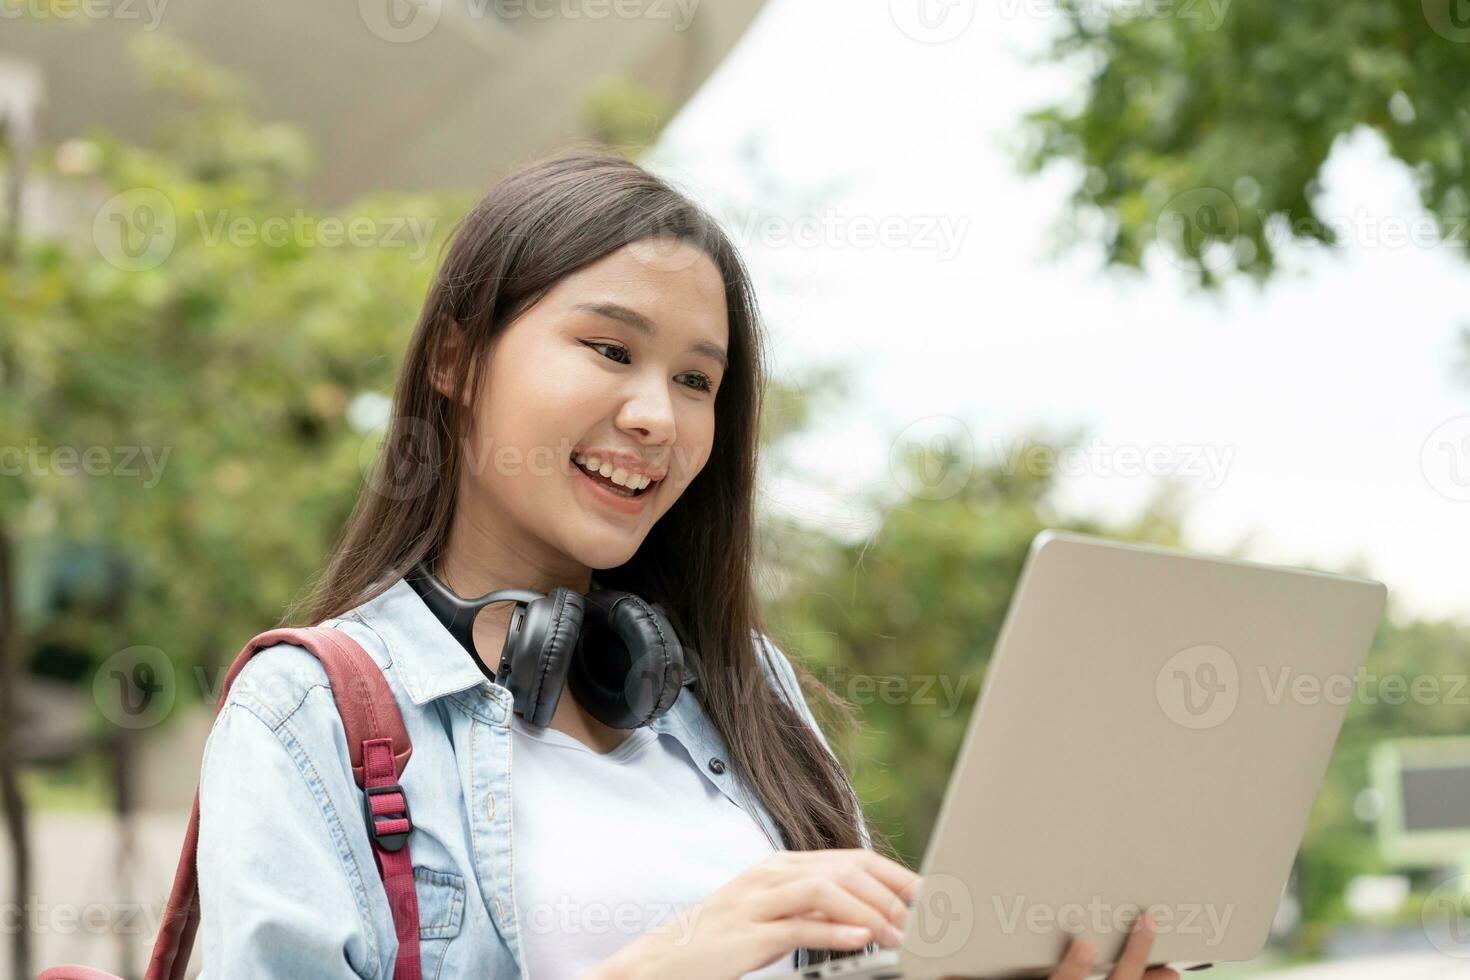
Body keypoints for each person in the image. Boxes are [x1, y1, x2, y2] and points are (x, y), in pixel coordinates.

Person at [195, 148, 1179, 980]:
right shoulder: (308, 712)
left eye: (697, 379)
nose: (657, 415)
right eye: (610, 348)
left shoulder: (747, 685)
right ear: (454, 358)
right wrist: (673, 956)